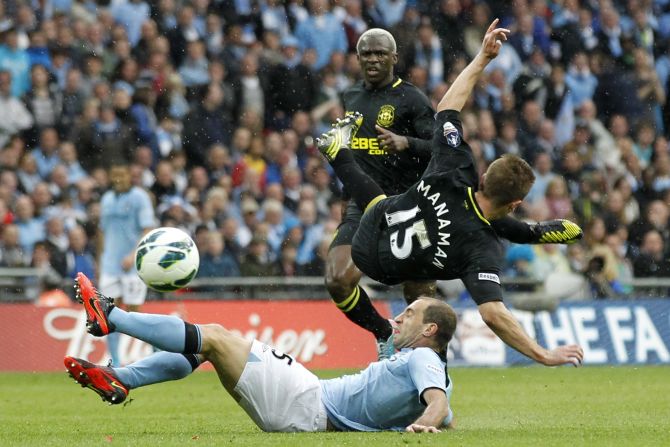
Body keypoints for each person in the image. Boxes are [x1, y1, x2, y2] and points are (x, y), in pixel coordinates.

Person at [316, 20, 584, 367]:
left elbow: (447, 110)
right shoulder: (352, 97)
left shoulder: (443, 148)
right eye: (365, 53)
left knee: (424, 307)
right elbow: (494, 313)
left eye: (380, 53)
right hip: (384, 208)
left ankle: (429, 377)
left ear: (395, 58)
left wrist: (407, 142)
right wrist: (543, 354)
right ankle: (386, 335)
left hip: (412, 200)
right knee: (339, 278)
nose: (372, 59)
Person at [66, 272, 457, 433]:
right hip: (307, 403)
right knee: (211, 348)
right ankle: (120, 378)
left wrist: (427, 423)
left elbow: (437, 404)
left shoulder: (423, 358)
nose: (400, 317)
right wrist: (437, 422)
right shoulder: (426, 364)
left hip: (308, 405)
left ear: (430, 330)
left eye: (410, 314)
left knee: (216, 337)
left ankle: (111, 316)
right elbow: (444, 409)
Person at [98, 163, 155, 367]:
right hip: (110, 266)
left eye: (122, 174)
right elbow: (102, 232)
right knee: (110, 313)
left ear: (129, 176)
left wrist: (133, 254)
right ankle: (115, 359)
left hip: (133, 266)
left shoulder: (139, 197)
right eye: (114, 174)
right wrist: (100, 261)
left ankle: (155, 351)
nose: (118, 178)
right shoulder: (106, 199)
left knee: (134, 313)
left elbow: (148, 228)